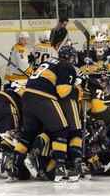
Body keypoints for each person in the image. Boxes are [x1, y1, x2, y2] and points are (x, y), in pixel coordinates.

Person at [12, 44, 82, 182]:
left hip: (27, 97)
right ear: (71, 58)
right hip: (43, 97)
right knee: (61, 130)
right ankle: (60, 169)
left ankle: (14, 168)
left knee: (28, 134)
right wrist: (77, 91)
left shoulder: (47, 61)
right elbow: (63, 92)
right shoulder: (67, 66)